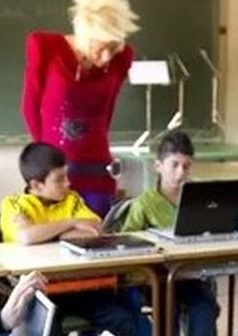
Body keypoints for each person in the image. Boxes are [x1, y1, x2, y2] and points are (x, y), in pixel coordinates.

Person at [1, 141, 149, 336]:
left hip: (79, 286)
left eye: (67, 176)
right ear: (36, 185)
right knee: (46, 330)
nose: (68, 183)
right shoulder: (14, 204)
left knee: (123, 320)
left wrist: (44, 233)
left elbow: (96, 229)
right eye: (59, 180)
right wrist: (70, 224)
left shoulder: (72, 199)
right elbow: (25, 236)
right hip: (40, 291)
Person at [119, 129, 220, 336]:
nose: (180, 172)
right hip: (158, 281)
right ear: (158, 166)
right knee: (169, 312)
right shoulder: (145, 203)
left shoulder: (200, 199)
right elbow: (126, 242)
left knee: (205, 308)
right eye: (174, 165)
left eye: (186, 166)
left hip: (191, 276)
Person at [20, 0, 139, 215]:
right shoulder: (45, 47)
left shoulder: (122, 58)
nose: (106, 58)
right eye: (101, 47)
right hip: (54, 174)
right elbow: (30, 107)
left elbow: (106, 113)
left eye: (113, 49)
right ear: (85, 34)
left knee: (98, 236)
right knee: (53, 239)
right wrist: (46, 160)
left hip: (98, 170)